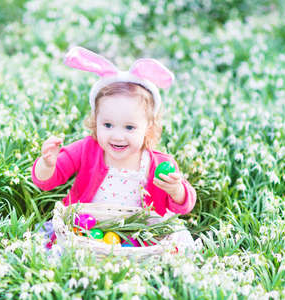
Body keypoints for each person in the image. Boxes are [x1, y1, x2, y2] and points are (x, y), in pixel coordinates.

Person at [32, 46, 196, 250]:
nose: (117, 136)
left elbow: (184, 204)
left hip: (140, 234)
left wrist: (176, 190)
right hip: (87, 229)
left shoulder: (159, 163)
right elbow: (48, 180)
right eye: (108, 125)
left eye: (129, 127)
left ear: (148, 128)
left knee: (169, 248)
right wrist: (47, 163)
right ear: (95, 121)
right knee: (61, 247)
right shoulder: (86, 149)